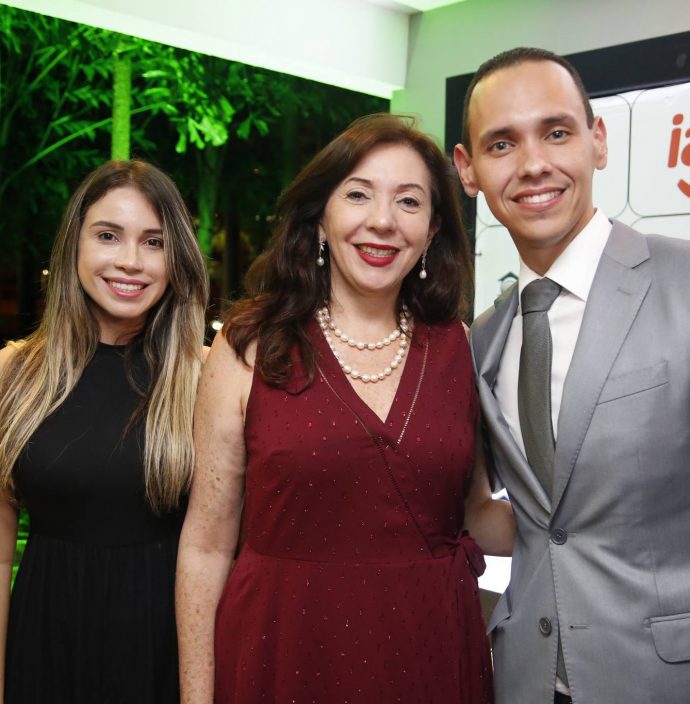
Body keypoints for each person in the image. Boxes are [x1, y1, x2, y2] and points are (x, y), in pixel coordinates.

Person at [176, 113, 514, 704]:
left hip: (430, 649)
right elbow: (206, 544)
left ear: (433, 229)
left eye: (408, 202)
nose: (381, 221)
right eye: (358, 195)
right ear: (321, 220)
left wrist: (588, 525)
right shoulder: (248, 348)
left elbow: (476, 511)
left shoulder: (458, 346)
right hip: (284, 651)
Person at [454, 47, 690, 704]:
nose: (533, 164)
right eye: (502, 143)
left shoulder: (683, 285)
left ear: (598, 140)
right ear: (468, 169)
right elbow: (522, 518)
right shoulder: (483, 340)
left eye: (556, 132)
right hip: (525, 677)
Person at [0, 160, 209, 703]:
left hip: (164, 649)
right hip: (43, 641)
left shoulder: (208, 377)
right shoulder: (13, 375)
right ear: (75, 245)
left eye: (154, 241)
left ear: (177, 258)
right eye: (108, 236)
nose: (130, 262)